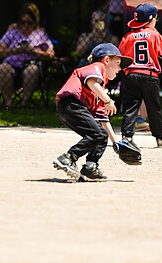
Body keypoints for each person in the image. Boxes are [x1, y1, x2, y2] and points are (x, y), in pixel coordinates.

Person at [52, 43, 133, 181]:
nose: (120, 69)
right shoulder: (97, 67)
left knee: (101, 134)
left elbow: (103, 119)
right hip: (71, 104)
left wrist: (116, 143)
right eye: (118, 63)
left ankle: (90, 166)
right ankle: (68, 157)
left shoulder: (99, 90)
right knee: (96, 133)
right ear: (106, 60)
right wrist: (108, 100)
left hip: (71, 108)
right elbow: (91, 82)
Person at [119, 3, 162, 147]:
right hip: (150, 75)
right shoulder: (155, 34)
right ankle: (159, 136)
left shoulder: (128, 36)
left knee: (130, 106)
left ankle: (127, 136)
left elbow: (120, 56)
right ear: (152, 20)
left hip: (131, 75)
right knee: (153, 107)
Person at [0, 2, 55, 109]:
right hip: (11, 66)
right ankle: (8, 104)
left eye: (29, 22)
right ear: (19, 22)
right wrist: (15, 51)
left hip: (31, 66)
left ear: (35, 22)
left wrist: (34, 52)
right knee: (2, 67)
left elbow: (51, 54)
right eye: (23, 22)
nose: (26, 25)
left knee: (31, 70)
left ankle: (24, 104)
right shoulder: (12, 32)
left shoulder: (40, 34)